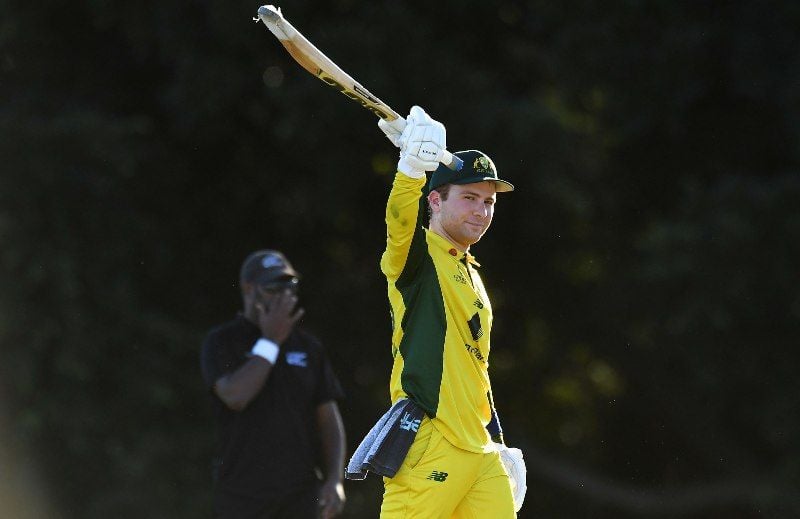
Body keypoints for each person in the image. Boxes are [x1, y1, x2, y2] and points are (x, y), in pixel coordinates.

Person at [346, 106, 527, 517]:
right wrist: (410, 169)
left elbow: (473, 367)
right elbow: (400, 225)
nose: (481, 212)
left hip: (480, 450)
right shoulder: (419, 257)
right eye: (468, 198)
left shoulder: (469, 269)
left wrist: (495, 436)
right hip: (432, 440)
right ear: (435, 200)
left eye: (488, 202)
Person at [200, 250, 347, 519]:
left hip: (300, 497)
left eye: (289, 286)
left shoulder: (308, 348)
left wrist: (334, 479)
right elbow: (236, 396)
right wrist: (270, 342)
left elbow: (328, 420)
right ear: (248, 289)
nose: (283, 295)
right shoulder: (222, 341)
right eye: (273, 288)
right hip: (241, 498)